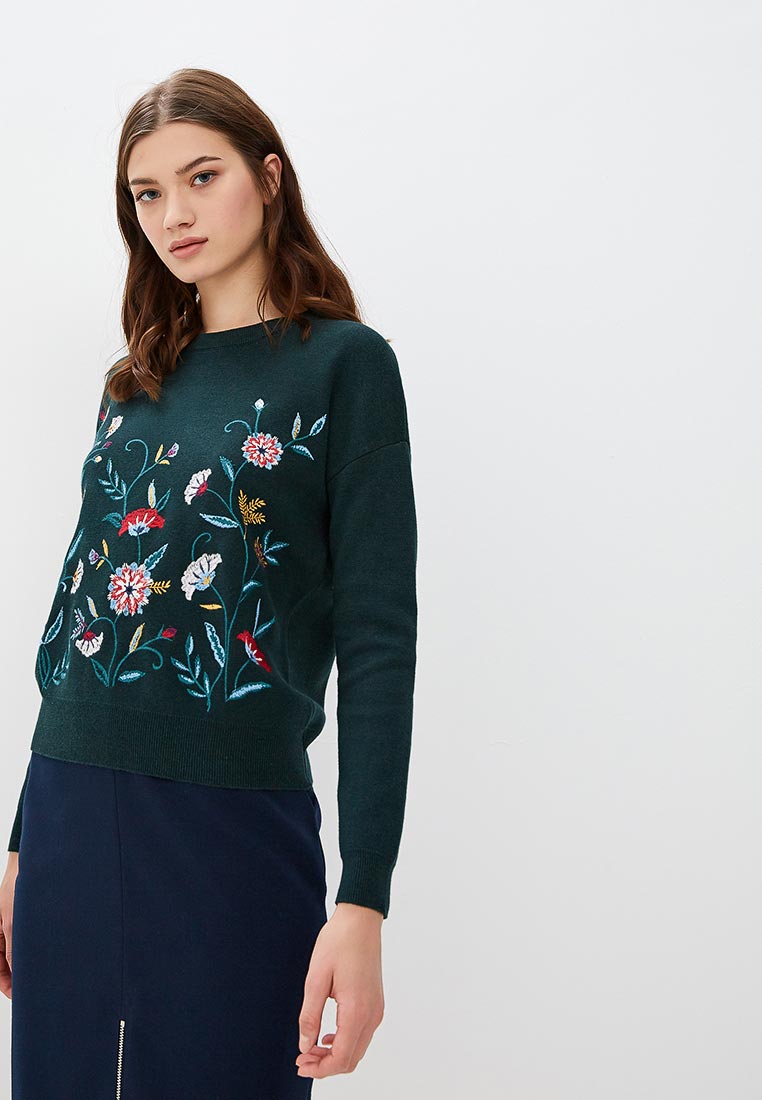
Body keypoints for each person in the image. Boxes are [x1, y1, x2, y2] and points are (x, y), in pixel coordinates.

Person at [0, 67, 417, 1098]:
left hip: (232, 827)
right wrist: (19, 844)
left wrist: (363, 901)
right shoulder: (133, 382)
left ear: (268, 177)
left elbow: (377, 642)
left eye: (201, 177)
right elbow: (82, 611)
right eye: (147, 193)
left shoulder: (345, 366)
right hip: (68, 814)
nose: (173, 215)